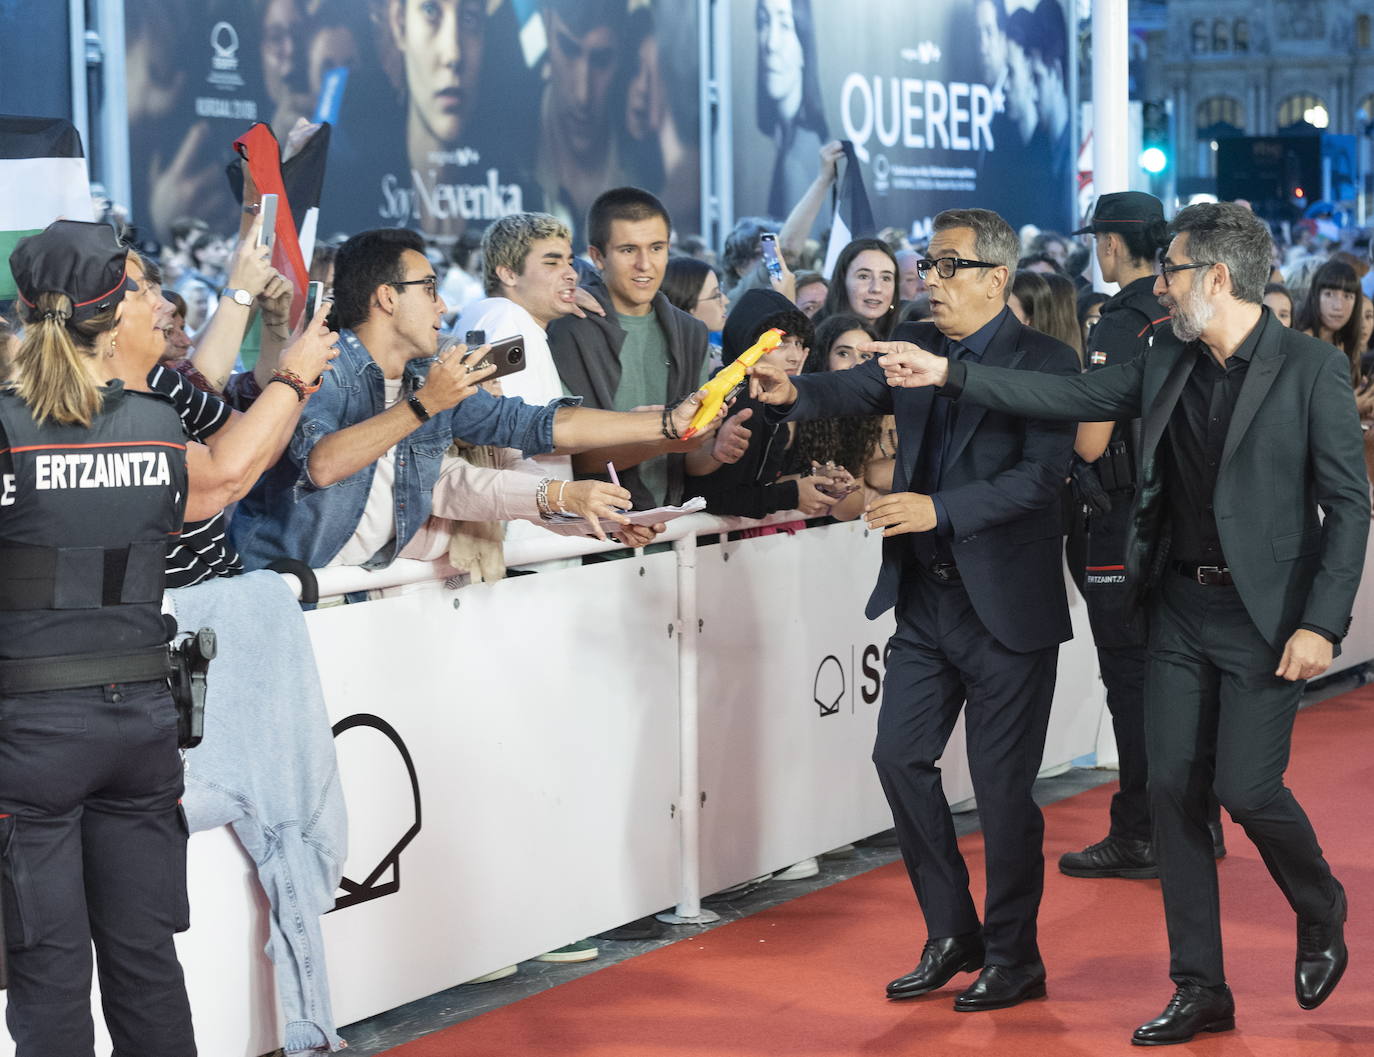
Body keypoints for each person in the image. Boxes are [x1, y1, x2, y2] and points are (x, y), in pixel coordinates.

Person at [875, 201, 1367, 1044]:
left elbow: (1349, 507)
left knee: (1246, 787)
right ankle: (1200, 984)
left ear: (1216, 277)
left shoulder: (1309, 369)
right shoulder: (1166, 349)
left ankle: (1320, 905)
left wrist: (1322, 622)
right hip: (1175, 605)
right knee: (1173, 790)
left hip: (1266, 616)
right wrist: (950, 374)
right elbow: (1069, 394)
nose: (1159, 284)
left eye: (1172, 270)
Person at [748, 208, 1079, 1012]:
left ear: (996, 278)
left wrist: (936, 509)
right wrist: (793, 389)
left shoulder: (1048, 361)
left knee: (1003, 794)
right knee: (898, 759)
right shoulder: (917, 346)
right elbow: (852, 386)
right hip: (924, 604)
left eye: (946, 267)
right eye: (926, 265)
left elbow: (1040, 479)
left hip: (1007, 609)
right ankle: (952, 930)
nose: (928, 280)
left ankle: (1014, 954)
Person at [230, 226, 719, 575]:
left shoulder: (428, 375)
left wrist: (667, 427)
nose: (443, 306)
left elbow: (537, 426)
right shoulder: (325, 366)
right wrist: (424, 405)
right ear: (387, 298)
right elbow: (321, 464)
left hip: (357, 583)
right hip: (283, 583)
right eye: (430, 289)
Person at [0, 220, 196, 1055]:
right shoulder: (161, 425)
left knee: (48, 973)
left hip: (31, 733)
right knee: (146, 963)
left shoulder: (9, 428)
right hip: (143, 727)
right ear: (115, 316)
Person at [1056, 191, 1229, 882]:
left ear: (1108, 245)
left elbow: (1092, 443)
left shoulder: (1118, 323)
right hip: (1183, 520)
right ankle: (1198, 821)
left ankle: (1140, 830)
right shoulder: (1189, 314)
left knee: (1131, 682)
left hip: (1121, 520)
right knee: (1181, 680)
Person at [548, 187, 716, 511]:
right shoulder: (567, 329)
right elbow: (569, 457)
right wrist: (664, 434)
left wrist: (718, 447)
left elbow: (690, 457)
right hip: (587, 536)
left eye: (656, 248)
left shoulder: (691, 332)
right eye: (628, 250)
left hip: (672, 531)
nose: (645, 264)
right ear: (598, 257)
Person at [754, 0, 828, 220]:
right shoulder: (778, 144)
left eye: (785, 26)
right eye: (764, 22)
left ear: (804, 44)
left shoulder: (806, 154)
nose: (771, 43)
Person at [1294, 258, 1364, 384]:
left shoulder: (1347, 343)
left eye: (1348, 297)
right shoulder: (1302, 344)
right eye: (1329, 294)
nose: (1338, 306)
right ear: (1315, 296)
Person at [817, 238, 900, 337]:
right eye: (863, 277)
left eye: (886, 278)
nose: (876, 288)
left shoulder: (906, 339)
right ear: (842, 281)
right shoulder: (811, 338)